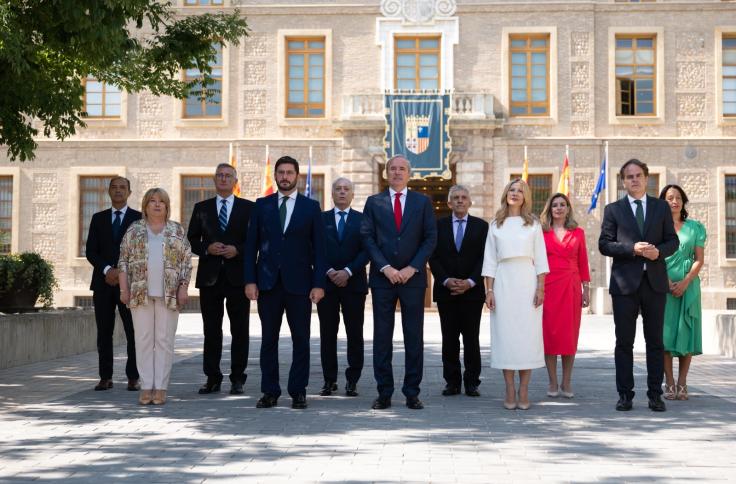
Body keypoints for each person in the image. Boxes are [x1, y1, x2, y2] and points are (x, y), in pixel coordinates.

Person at [244, 155, 327, 410]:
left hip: (300, 285)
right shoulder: (262, 205)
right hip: (268, 284)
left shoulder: (311, 207)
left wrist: (318, 283)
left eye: (290, 172)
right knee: (269, 339)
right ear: (275, 175)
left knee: (301, 339)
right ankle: (270, 391)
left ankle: (298, 391)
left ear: (297, 176)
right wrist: (250, 280)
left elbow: (320, 250)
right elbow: (251, 247)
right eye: (280, 172)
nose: (285, 177)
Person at [599, 159, 679, 412]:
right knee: (624, 343)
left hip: (655, 284)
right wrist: (631, 249)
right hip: (624, 286)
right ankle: (625, 395)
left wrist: (659, 253)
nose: (634, 180)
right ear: (623, 181)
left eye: (638, 175)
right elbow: (604, 244)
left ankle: (656, 395)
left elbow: (672, 241)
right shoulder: (614, 209)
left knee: (655, 342)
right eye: (629, 176)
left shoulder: (660, 208)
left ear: (646, 178)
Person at [361, 154, 437, 410]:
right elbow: (367, 237)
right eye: (392, 168)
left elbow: (430, 238)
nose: (396, 172)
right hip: (383, 280)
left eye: (401, 168)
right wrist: (386, 267)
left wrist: (412, 268)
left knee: (413, 336)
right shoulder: (374, 202)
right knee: (382, 336)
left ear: (409, 173)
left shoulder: (422, 202)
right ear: (386, 173)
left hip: (412, 280)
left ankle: (412, 392)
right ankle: (384, 392)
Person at [118, 188, 192, 405]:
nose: (157, 204)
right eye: (152, 201)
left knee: (164, 341)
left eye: (162, 201)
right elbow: (122, 261)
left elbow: (186, 263)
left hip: (169, 295)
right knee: (142, 341)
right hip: (140, 294)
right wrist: (124, 290)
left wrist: (183, 287)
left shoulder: (176, 231)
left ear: (167, 207)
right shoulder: (134, 230)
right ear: (145, 206)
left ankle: (160, 387)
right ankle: (146, 386)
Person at [482, 178, 548, 410]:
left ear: (525, 196)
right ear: (505, 193)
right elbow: (489, 260)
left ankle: (524, 389)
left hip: (527, 282)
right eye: (511, 189)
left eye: (520, 190)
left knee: (527, 337)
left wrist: (540, 287)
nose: (515, 193)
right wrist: (489, 291)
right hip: (503, 282)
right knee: (506, 336)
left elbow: (540, 259)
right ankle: (509, 387)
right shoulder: (495, 224)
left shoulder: (533, 224)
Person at [187, 163, 253, 396]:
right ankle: (212, 377)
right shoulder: (201, 207)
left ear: (235, 181)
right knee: (211, 330)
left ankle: (238, 378)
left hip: (238, 279)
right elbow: (191, 240)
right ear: (215, 180)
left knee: (240, 330)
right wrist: (207, 248)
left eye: (228, 176)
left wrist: (238, 250)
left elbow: (256, 242)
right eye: (220, 175)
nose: (224, 179)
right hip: (210, 279)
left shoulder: (248, 208)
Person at [429, 185, 488, 397]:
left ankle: (472, 382)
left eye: (464, 197)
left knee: (472, 338)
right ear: (449, 203)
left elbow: (485, 257)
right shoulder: (438, 226)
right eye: (455, 198)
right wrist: (445, 280)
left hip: (472, 293)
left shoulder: (482, 227)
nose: (460, 201)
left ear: (470, 202)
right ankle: (452, 382)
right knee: (449, 338)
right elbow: (432, 256)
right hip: (446, 292)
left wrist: (471, 281)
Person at [85, 176, 141, 392]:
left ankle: (133, 377)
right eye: (114, 187)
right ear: (108, 191)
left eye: (122, 188)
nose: (118, 191)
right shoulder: (98, 219)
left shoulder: (138, 219)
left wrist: (122, 273)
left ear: (129, 192)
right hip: (103, 282)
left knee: (133, 331)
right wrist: (108, 270)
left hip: (130, 285)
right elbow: (91, 251)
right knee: (104, 332)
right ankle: (105, 377)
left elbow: (140, 252)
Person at [316, 177, 369, 397]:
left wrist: (347, 271)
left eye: (346, 189)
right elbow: (314, 249)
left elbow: (367, 250)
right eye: (338, 189)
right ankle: (329, 380)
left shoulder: (363, 220)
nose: (342, 192)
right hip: (327, 286)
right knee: (327, 334)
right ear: (332, 193)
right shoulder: (320, 219)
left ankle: (352, 380)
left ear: (352, 194)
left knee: (354, 333)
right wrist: (330, 271)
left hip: (353, 284)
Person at [539, 193, 590, 399]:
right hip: (549, 287)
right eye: (555, 205)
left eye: (563, 205)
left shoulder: (578, 232)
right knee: (549, 335)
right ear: (549, 210)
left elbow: (583, 261)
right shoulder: (541, 233)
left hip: (571, 287)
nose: (559, 208)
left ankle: (566, 381)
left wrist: (585, 289)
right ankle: (552, 381)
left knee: (569, 337)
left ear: (568, 208)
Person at [659, 184, 705, 402]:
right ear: (663, 202)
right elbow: (655, 258)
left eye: (678, 197)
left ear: (683, 201)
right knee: (665, 335)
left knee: (686, 332)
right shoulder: (657, 229)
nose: (674, 201)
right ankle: (668, 382)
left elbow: (699, 260)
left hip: (689, 287)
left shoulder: (695, 227)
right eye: (669, 198)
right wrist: (667, 282)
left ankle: (683, 382)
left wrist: (685, 282)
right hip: (663, 286)